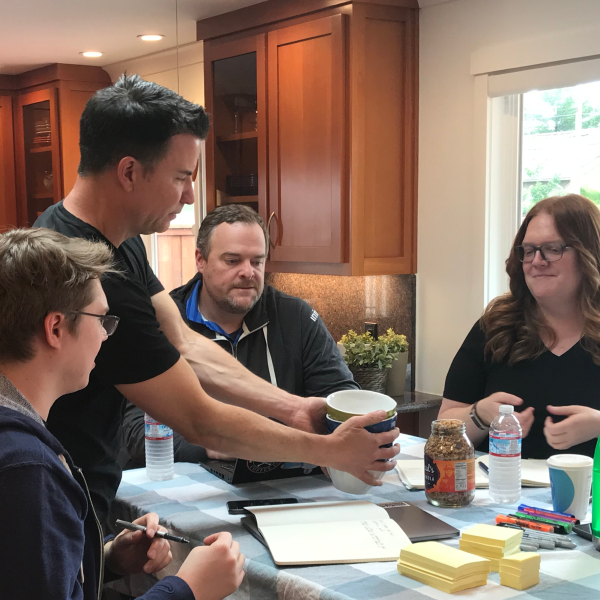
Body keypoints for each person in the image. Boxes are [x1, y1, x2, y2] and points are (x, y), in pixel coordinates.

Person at [34, 74, 398, 526]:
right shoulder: (91, 273)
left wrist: (295, 408)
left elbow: (185, 344)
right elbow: (198, 419)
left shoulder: (119, 241)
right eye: (182, 177)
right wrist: (329, 450)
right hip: (55, 500)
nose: (189, 197)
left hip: (80, 490)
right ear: (129, 172)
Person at [0, 228, 245, 600]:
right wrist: (188, 588)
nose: (105, 334)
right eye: (100, 318)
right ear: (55, 328)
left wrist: (107, 557)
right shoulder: (26, 468)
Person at [122, 204, 359, 466]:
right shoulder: (164, 322)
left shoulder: (297, 318)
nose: (248, 272)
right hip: (196, 484)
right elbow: (134, 430)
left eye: (257, 261)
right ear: (201, 260)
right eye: (233, 260)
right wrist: (211, 446)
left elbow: (340, 399)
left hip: (287, 480)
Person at [438, 193, 600, 459]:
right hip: (499, 494)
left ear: (589, 254)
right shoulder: (496, 325)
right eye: (529, 250)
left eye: (553, 248)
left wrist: (598, 426)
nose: (537, 261)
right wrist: (479, 415)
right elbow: (443, 427)